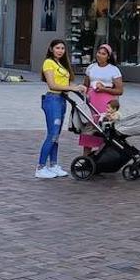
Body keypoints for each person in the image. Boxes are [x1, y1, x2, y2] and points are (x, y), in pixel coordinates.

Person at [38, 39, 85, 179]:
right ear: (51, 49)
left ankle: (53, 164)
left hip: (62, 100)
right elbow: (52, 85)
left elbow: (65, 82)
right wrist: (72, 88)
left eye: (62, 48)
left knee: (56, 136)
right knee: (52, 135)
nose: (60, 50)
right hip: (53, 99)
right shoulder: (49, 63)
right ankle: (40, 167)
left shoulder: (61, 64)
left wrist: (78, 87)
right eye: (57, 48)